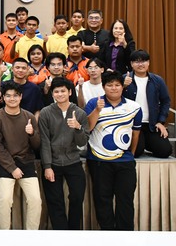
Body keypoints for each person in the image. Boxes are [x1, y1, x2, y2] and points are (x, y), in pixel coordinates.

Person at [84, 71, 141, 230]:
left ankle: (125, 234)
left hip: (125, 161)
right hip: (99, 161)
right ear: (103, 87)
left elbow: (136, 133)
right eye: (110, 85)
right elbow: (88, 128)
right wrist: (97, 110)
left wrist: (131, 154)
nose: (114, 88)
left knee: (125, 200)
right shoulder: (93, 103)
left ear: (123, 87)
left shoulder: (134, 107)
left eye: (117, 85)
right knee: (102, 200)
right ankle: (107, 234)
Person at [0, 81, 41, 230]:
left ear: (21, 97)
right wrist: (12, 168)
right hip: (6, 163)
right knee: (4, 200)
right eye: (8, 96)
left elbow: (37, 145)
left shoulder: (29, 116)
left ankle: (31, 235)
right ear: (3, 98)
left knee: (35, 200)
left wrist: (32, 133)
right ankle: (4, 235)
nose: (12, 99)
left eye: (15, 95)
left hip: (26, 161)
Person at [38, 77, 89, 230]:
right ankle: (60, 234)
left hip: (73, 161)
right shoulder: (46, 112)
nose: (60, 94)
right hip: (53, 163)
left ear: (70, 92)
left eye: (63, 91)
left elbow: (82, 142)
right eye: (56, 91)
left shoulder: (79, 113)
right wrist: (47, 166)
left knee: (77, 197)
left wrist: (78, 128)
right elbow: (44, 141)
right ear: (52, 94)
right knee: (55, 201)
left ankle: (73, 232)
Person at [123, 50, 172, 158]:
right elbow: (114, 99)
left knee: (165, 151)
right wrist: (123, 86)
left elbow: (166, 101)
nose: (140, 64)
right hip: (131, 125)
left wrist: (161, 122)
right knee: (136, 152)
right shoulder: (124, 79)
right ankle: (142, 143)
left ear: (148, 63)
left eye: (143, 61)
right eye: (137, 61)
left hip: (151, 124)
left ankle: (147, 142)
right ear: (131, 64)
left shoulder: (157, 80)